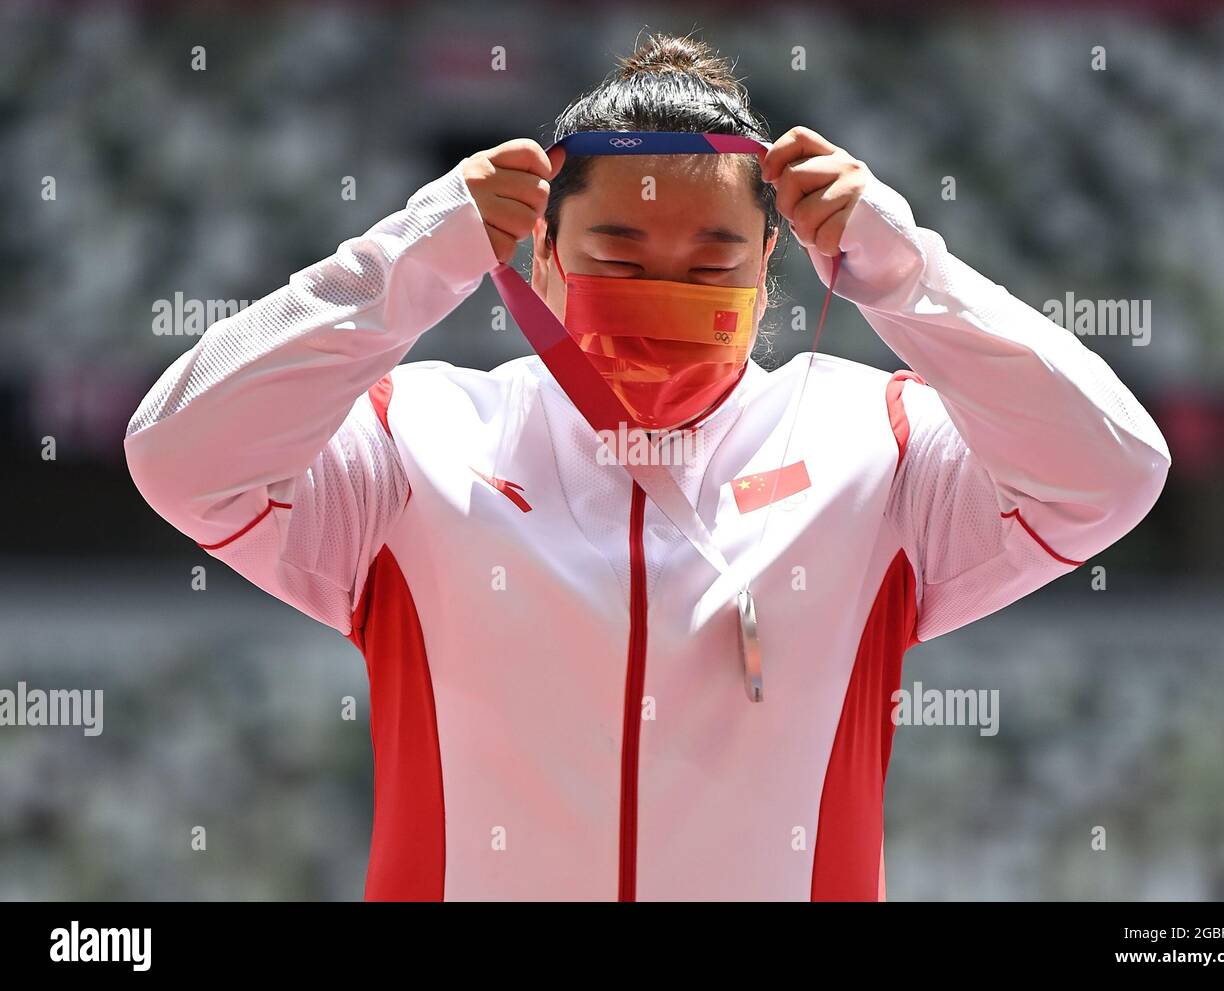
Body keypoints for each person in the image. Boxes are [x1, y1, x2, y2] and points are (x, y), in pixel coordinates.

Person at [124, 34, 1171, 901]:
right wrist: (405, 262)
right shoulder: (417, 441)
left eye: (711, 264)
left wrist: (911, 279)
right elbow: (179, 457)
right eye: (617, 258)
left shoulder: (882, 448)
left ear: (770, 272)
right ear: (539, 257)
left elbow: (1112, 472)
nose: (662, 290)